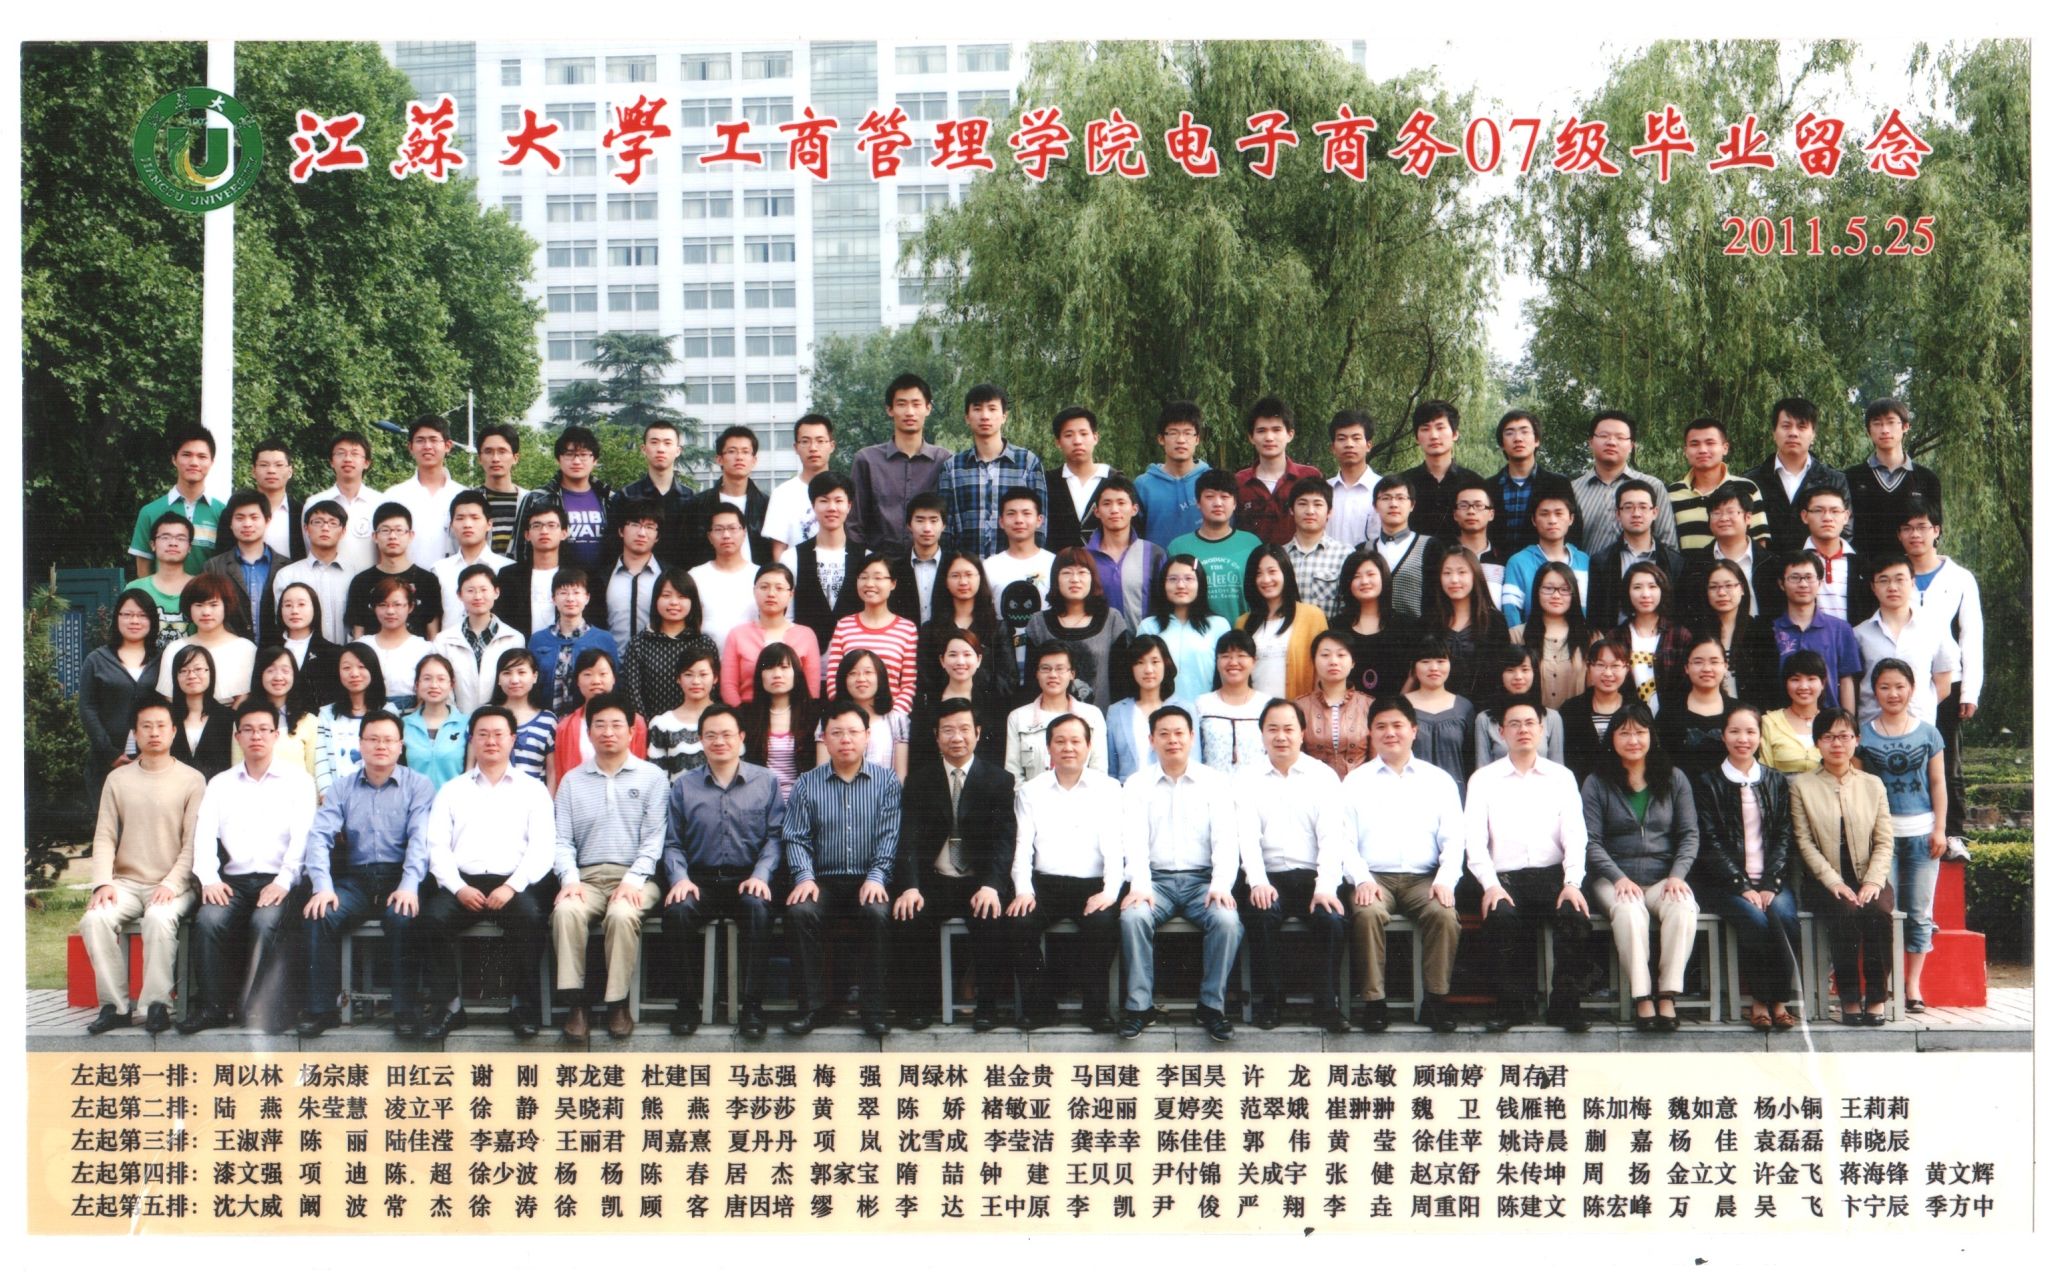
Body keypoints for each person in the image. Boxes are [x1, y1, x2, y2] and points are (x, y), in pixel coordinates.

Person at [296, 709, 437, 1038]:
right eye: (373, 739)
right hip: (357, 880)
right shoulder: (342, 788)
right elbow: (319, 836)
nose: (381, 746)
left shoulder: (419, 785)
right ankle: (322, 1010)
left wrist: (409, 886)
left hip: (400, 877)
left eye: (388, 740)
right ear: (360, 744)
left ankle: (405, 1010)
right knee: (319, 914)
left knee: (404, 916)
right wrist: (322, 886)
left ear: (400, 746)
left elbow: (420, 840)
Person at [420, 705, 556, 1039]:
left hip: (514, 883)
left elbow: (543, 848)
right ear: (472, 740)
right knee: (431, 920)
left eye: (498, 734)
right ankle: (449, 1007)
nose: (491, 741)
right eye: (482, 734)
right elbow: (436, 846)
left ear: (513, 739)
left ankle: (522, 1006)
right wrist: (457, 888)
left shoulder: (533, 790)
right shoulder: (452, 790)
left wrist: (512, 886)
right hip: (463, 884)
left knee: (532, 918)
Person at [179, 701, 316, 1034]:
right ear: (237, 736)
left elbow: (303, 838)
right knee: (209, 920)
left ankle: (259, 1009)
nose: (257, 736)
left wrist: (284, 881)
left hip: (280, 879)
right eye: (249, 730)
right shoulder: (220, 784)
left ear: (276, 735)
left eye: (264, 730)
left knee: (265, 921)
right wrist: (209, 879)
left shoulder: (298, 781)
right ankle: (212, 1008)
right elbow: (204, 835)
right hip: (234, 882)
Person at [1463, 694, 1596, 1032]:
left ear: (1542, 729)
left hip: (1553, 875)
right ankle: (1513, 1007)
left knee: (1575, 914)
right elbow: (1474, 841)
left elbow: (1575, 835)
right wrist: (1490, 885)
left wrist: (1572, 883)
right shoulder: (1483, 779)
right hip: (1504, 878)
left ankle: (1565, 1006)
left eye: (1529, 723)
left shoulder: (1562, 777)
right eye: (1514, 724)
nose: (1522, 730)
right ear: (1501, 732)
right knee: (1500, 916)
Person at [891, 698, 1020, 1031]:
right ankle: (920, 1006)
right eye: (947, 730)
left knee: (991, 916)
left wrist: (992, 885)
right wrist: (910, 886)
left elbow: (1005, 841)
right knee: (908, 914)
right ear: (936, 736)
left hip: (978, 881)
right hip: (936, 879)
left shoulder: (999, 780)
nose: (957, 737)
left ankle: (986, 1007)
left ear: (977, 732)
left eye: (964, 729)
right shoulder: (920, 781)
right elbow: (908, 839)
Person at [78, 694, 203, 1036]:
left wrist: (172, 883)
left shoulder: (192, 780)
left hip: (175, 884)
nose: (154, 732)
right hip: (127, 883)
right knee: (94, 919)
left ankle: (156, 1005)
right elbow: (104, 836)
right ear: (134, 732)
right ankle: (115, 1007)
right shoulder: (118, 779)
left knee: (159, 918)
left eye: (161, 725)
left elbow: (192, 844)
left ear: (174, 731)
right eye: (146, 726)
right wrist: (103, 882)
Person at [1117, 705, 1243, 1042]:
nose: (1172, 740)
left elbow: (1226, 839)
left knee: (1227, 921)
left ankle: (1211, 1006)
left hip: (1202, 881)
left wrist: (1220, 884)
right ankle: (1139, 1006)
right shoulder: (1137, 784)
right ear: (1151, 740)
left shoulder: (1214, 782)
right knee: (1133, 917)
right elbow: (1133, 840)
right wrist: (1140, 884)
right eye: (1164, 734)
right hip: (1155, 881)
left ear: (1191, 737)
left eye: (1179, 733)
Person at [1341, 693, 1464, 1032]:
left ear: (1414, 730)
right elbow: (1344, 841)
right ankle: (1374, 1002)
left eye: (1398, 725)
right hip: (1374, 877)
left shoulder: (1438, 780)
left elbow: (1454, 838)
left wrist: (1445, 880)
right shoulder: (1355, 781)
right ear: (1370, 733)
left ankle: (1435, 1002)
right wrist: (1361, 879)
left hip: (1423, 879)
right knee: (1367, 913)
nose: (1390, 733)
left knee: (1444, 914)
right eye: (1381, 726)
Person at [549, 692, 667, 1042]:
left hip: (636, 877)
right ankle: (576, 1004)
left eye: (617, 725)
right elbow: (561, 840)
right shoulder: (572, 780)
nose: (608, 732)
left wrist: (632, 879)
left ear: (632, 731)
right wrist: (569, 879)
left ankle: (617, 1002)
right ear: (588, 733)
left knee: (622, 914)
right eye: (599, 725)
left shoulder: (652, 777)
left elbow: (654, 839)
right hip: (586, 878)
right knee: (566, 911)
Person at [662, 702, 784, 1037]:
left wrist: (761, 875)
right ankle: (687, 1004)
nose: (719, 741)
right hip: (700, 879)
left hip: (748, 877)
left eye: (727, 734)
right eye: (711, 735)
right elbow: (672, 842)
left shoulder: (766, 781)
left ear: (741, 737)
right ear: (700, 739)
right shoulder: (683, 786)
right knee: (678, 910)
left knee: (758, 908)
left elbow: (776, 837)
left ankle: (753, 1007)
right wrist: (680, 878)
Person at [783, 701, 903, 1038]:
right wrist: (804, 876)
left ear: (867, 736)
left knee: (878, 913)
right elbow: (795, 837)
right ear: (824, 738)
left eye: (853, 732)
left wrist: (877, 876)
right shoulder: (807, 783)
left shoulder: (886, 781)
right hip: (823, 879)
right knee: (801, 911)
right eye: (836, 733)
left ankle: (873, 1011)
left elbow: (890, 836)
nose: (845, 739)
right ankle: (813, 1008)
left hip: (869, 877)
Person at [1582, 701, 1701, 1031]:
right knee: (1629, 911)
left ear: (1652, 736)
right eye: (1624, 733)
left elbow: (1690, 834)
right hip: (1614, 878)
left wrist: (1677, 875)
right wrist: (1618, 877)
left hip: (1663, 877)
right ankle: (1642, 997)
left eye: (1640, 732)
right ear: (1612, 739)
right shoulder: (1597, 782)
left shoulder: (1674, 778)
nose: (1633, 740)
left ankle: (1667, 993)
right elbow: (1591, 841)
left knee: (1683, 906)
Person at [1007, 714, 1126, 1031]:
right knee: (1019, 921)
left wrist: (1110, 892)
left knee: (1103, 923)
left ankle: (1096, 1009)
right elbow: (1022, 847)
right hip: (1045, 886)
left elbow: (1115, 847)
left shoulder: (1109, 788)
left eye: (1075, 741)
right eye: (1059, 741)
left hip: (1094, 885)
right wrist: (1023, 890)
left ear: (1088, 746)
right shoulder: (1031, 791)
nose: (1068, 748)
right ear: (1048, 747)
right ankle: (1040, 1007)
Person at [1237, 700, 1350, 1031]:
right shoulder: (1246, 778)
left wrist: (1325, 887)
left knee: (1332, 918)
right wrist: (1258, 881)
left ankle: (1326, 1005)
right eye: (1272, 729)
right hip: (1268, 875)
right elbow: (1246, 838)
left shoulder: (1322, 776)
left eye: (1289, 729)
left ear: (1302, 733)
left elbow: (1332, 838)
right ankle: (1271, 1002)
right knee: (1261, 913)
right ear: (1262, 734)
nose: (1281, 736)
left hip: (1314, 875)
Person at [1693, 701, 1801, 1031]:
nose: (1743, 739)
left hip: (1769, 881)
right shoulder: (1708, 782)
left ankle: (1779, 1002)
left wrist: (1770, 883)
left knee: (1784, 916)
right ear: (1723, 736)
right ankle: (1759, 1002)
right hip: (1725, 885)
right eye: (1735, 731)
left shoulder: (1775, 780)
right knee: (1756, 920)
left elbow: (1784, 835)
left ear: (1760, 736)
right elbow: (1710, 842)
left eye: (1751, 732)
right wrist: (1741, 885)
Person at [1791, 708, 1895, 1025]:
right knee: (1845, 911)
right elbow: (1804, 842)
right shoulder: (1802, 786)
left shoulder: (1873, 784)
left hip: (1868, 876)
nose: (1837, 744)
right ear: (1817, 743)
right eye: (1828, 737)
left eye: (1844, 736)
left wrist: (1873, 881)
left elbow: (1884, 840)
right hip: (1825, 881)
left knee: (1878, 912)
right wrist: (1833, 881)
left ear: (1856, 740)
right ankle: (1849, 998)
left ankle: (1876, 998)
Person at [1860, 659, 1948, 1014]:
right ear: (1874, 691)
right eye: (1884, 687)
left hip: (1923, 837)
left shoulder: (1928, 733)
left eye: (1900, 686)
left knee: (1919, 912)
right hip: (1883, 841)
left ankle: (1912, 985)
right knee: (1886, 913)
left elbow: (1938, 783)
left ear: (1912, 689)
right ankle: (1887, 982)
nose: (1893, 693)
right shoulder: (1863, 735)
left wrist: (1940, 828)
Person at [1897, 496, 1982, 858]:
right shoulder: (1894, 574)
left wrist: (1970, 691)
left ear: (1936, 531)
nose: (1914, 535)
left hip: (1949, 681)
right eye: (1907, 528)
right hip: (1903, 681)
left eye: (1922, 527)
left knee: (1946, 757)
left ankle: (1954, 833)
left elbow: (1971, 634)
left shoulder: (1960, 578)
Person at [938, 382, 1049, 560]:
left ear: (1004, 416)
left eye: (992, 409)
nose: (985, 416)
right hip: (968, 569)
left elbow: (1040, 524)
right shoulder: (953, 467)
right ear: (967, 417)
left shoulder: (1027, 462)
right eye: (977, 409)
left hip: (1016, 567)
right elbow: (945, 527)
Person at [1854, 552, 1959, 728]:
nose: (1892, 587)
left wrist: (1916, 710)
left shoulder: (1934, 628)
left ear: (1912, 582)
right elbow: (1853, 685)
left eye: (1900, 579)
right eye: (1883, 580)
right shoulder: (1859, 634)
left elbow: (1944, 685)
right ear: (1873, 587)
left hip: (1920, 729)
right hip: (1871, 730)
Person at [851, 373, 950, 556]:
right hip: (879, 564)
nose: (909, 412)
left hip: (929, 562)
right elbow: (854, 522)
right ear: (890, 409)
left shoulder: (944, 461)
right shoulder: (867, 460)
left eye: (916, 404)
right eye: (902, 404)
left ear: (928, 408)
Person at [80, 589, 162, 810]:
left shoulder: (162, 659)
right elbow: (87, 708)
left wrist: (153, 752)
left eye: (142, 615)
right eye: (127, 614)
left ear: (152, 621)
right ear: (117, 618)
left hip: (153, 757)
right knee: (107, 820)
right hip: (105, 759)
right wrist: (110, 753)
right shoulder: (97, 660)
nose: (134, 621)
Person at [1024, 547, 1132, 705]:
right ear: (1056, 579)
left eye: (1082, 572)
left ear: (1092, 578)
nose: (1075, 579)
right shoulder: (1038, 623)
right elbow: (1031, 684)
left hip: (1101, 717)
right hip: (1051, 717)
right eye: (1067, 573)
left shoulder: (1112, 620)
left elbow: (1121, 683)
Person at [780, 473, 873, 654]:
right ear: (813, 505)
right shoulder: (791, 557)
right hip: (805, 657)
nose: (832, 508)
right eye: (824, 501)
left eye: (838, 501)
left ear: (849, 505)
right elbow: (787, 617)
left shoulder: (866, 558)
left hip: (854, 659)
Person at [1744, 395, 1850, 553]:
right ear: (1774, 432)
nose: (1793, 433)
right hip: (1764, 566)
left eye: (1802, 427)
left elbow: (1845, 532)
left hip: (1815, 567)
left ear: (1813, 435)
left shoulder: (1834, 480)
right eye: (1786, 426)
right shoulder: (1751, 481)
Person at [511, 425, 616, 576]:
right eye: (569, 454)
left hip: (603, 582)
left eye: (583, 454)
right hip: (554, 581)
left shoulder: (610, 499)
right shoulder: (537, 498)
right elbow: (518, 550)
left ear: (595, 460)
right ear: (558, 459)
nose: (577, 461)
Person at [1571, 409, 1679, 557]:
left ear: (1631, 445)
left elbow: (1668, 545)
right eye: (1604, 436)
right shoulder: (1573, 490)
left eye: (1620, 437)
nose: (1611, 442)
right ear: (1590, 441)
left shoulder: (1653, 486)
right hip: (1588, 571)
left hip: (1644, 571)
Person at [917, 552, 1016, 707]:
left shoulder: (997, 628)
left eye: (969, 575)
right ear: (945, 581)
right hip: (944, 712)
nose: (963, 582)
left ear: (980, 578)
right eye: (955, 575)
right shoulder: (930, 630)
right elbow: (926, 681)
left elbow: (1008, 681)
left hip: (987, 712)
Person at [1136, 554, 1232, 712]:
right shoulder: (1149, 627)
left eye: (1189, 578)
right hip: (1160, 715)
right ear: (1163, 584)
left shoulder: (1219, 625)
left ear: (1200, 583)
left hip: (1207, 713)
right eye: (1173, 579)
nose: (1180, 585)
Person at [1846, 396, 1942, 557]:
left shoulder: (1927, 479)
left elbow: (1934, 530)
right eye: (1877, 423)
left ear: (1905, 426)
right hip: (1863, 567)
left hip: (1910, 568)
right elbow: (1844, 530)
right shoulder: (1852, 477)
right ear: (1868, 431)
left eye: (1891, 422)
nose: (1884, 430)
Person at [1585, 478, 1686, 628]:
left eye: (1643, 507)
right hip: (1615, 640)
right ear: (1618, 514)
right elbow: (1596, 618)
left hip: (1662, 640)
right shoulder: (1601, 562)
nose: (1636, 514)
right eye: (1628, 507)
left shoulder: (1674, 562)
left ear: (1655, 512)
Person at [907, 629, 1008, 778]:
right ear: (942, 660)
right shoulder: (928, 702)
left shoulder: (992, 702)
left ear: (979, 659)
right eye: (953, 655)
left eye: (967, 654)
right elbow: (919, 752)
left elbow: (997, 753)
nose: (960, 662)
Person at [1770, 550, 1862, 711]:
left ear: (1820, 582)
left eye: (1809, 577)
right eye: (1795, 577)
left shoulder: (1840, 629)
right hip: (1782, 720)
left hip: (1829, 719)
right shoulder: (1770, 629)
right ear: (1781, 584)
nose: (1803, 584)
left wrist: (1847, 721)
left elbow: (1846, 680)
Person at [1668, 417, 1770, 562]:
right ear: (1686, 451)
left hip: (1738, 573)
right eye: (1694, 444)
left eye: (1710, 443)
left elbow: (1759, 542)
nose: (1702, 450)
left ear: (1725, 448)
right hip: (1689, 574)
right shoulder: (1672, 493)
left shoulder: (1747, 488)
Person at [1420, 544, 1512, 702]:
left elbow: (1500, 674)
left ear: (1475, 575)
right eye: (1447, 573)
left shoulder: (1494, 622)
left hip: (1483, 708)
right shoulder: (1428, 622)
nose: (1454, 579)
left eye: (1462, 572)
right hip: (1434, 706)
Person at [129, 424, 224, 574]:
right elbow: (143, 575)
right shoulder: (149, 512)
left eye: (202, 456)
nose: (194, 462)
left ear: (212, 462)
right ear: (174, 459)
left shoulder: (223, 512)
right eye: (186, 455)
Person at [428, 563, 523, 714]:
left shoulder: (514, 639)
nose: (478, 596)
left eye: (484, 590)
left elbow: (515, 687)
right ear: (459, 595)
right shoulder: (443, 641)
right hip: (456, 721)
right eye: (470, 591)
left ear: (496, 592)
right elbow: (443, 689)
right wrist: (456, 720)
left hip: (500, 721)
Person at [1238, 544, 1328, 701]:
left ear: (1286, 573)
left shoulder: (1312, 616)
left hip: (1298, 711)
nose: (1266, 579)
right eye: (1258, 573)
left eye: (1272, 571)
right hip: (1253, 712)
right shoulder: (1242, 623)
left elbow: (1323, 671)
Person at [722, 564, 822, 707]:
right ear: (754, 591)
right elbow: (728, 686)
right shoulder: (737, 635)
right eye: (764, 587)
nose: (771, 593)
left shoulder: (806, 635)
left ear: (791, 594)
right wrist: (740, 717)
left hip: (795, 714)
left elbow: (812, 690)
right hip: (747, 713)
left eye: (779, 588)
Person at [1169, 469, 1263, 620]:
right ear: (1198, 502)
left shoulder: (1251, 543)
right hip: (1196, 632)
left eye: (1225, 497)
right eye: (1209, 496)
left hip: (1244, 631)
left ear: (1235, 503)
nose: (1218, 503)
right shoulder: (1178, 547)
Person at [823, 557, 919, 704]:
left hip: (890, 715)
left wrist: (893, 715)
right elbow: (833, 679)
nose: (869, 584)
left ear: (893, 583)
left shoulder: (907, 629)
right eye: (863, 577)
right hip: (850, 715)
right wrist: (847, 712)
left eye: (878, 578)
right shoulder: (844, 626)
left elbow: (909, 685)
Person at [981, 487, 1059, 669]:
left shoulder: (1055, 563)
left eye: (1026, 513)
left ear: (1039, 520)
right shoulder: (989, 566)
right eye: (1011, 514)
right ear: (1001, 521)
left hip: (1046, 661)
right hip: (1001, 661)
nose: (1019, 520)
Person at [1005, 641, 1105, 779]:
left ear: (1072, 674)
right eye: (1045, 668)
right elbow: (1013, 775)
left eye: (1060, 669)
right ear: (1037, 673)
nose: (1053, 675)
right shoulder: (1018, 718)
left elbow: (1099, 772)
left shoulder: (1092, 716)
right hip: (1033, 793)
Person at [1485, 409, 1577, 557]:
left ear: (1536, 440)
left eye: (1524, 431)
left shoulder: (1558, 483)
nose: (1518, 438)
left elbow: (1573, 530)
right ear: (1502, 444)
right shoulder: (1488, 487)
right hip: (1497, 566)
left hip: (1543, 565)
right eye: (1509, 433)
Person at [1232, 395, 1322, 546]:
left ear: (1290, 435)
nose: (1269, 437)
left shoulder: (1310, 476)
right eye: (1261, 431)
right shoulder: (1239, 482)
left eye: (1276, 430)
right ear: (1251, 437)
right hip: (1253, 560)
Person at [527, 568, 619, 715]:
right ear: (553, 598)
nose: (570, 599)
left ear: (587, 598)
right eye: (563, 593)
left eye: (576, 592)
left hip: (589, 720)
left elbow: (615, 685)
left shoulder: (604, 639)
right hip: (545, 720)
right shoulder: (538, 640)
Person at [343, 503, 442, 639]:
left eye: (399, 530)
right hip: (371, 652)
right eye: (385, 530)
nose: (392, 536)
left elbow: (433, 634)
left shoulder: (427, 581)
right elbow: (358, 635)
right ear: (375, 536)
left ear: (410, 535)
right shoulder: (361, 582)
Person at [199, 489, 285, 644]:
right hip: (228, 649)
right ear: (230, 523)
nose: (247, 524)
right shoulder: (214, 567)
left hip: (276, 653)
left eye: (254, 517)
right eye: (240, 518)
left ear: (267, 520)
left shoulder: (285, 568)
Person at [155, 574, 258, 703]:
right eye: (199, 605)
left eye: (213, 605)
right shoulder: (175, 649)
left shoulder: (245, 649)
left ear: (226, 606)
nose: (206, 612)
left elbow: (249, 697)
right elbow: (170, 698)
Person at [551, 649, 649, 781]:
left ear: (614, 678)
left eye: (603, 674)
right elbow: (561, 776)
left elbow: (641, 771)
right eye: (587, 674)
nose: (596, 681)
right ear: (577, 681)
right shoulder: (565, 727)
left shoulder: (635, 722)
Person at [613, 419, 696, 573]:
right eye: (654, 442)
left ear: (678, 450)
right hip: (636, 577)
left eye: (667, 443)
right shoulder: (626, 496)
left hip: (679, 581)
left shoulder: (691, 499)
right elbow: (613, 546)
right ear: (644, 449)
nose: (660, 449)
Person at [619, 571, 706, 719]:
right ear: (656, 599)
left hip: (696, 727)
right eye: (666, 595)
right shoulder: (639, 644)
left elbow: (712, 692)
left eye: (682, 596)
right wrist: (648, 726)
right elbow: (632, 692)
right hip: (650, 727)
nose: (674, 602)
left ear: (692, 601)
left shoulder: (703, 644)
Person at [739, 642, 820, 799]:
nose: (777, 674)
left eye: (784, 667)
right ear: (760, 675)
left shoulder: (813, 715)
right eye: (769, 668)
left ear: (796, 672)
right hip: (760, 802)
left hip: (803, 803)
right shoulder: (747, 716)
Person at [1330, 547, 1413, 699]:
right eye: (1356, 576)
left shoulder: (1405, 626)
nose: (1364, 581)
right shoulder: (1336, 627)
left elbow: (1413, 675)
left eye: (1371, 574)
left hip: (1393, 710)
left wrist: (1397, 706)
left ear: (1383, 578)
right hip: (1347, 710)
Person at [1690, 559, 1775, 704]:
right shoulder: (1696, 632)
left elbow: (1768, 684)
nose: (1722, 593)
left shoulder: (1760, 631)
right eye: (1713, 587)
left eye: (1729, 585)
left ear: (1742, 589)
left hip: (1750, 713)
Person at [1500, 490, 1589, 628]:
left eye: (1559, 513)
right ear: (1534, 520)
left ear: (1571, 519)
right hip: (1531, 639)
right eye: (1544, 514)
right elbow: (1511, 611)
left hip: (1579, 639)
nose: (1552, 520)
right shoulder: (1519, 562)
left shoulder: (1584, 561)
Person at [1610, 561, 1690, 715]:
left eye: (1652, 586)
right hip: (1630, 722)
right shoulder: (1616, 637)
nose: (1645, 594)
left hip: (1671, 721)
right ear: (1627, 592)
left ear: (1662, 590)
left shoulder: (1680, 636)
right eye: (1637, 587)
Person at [271, 500, 353, 645]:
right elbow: (282, 624)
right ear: (306, 529)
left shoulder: (354, 576)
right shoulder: (287, 576)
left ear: (343, 531)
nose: (325, 528)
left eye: (333, 523)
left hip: (346, 656)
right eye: (318, 522)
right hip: (301, 657)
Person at [1134, 400, 1213, 549]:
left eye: (1188, 433)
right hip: (1157, 562)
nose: (1181, 440)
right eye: (1173, 433)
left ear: (1197, 439)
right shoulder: (1143, 485)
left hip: (1205, 562)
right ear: (1161, 439)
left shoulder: (1211, 480)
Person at [821, 647, 912, 778]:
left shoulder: (898, 721)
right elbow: (822, 774)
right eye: (853, 673)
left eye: (868, 672)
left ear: (880, 677)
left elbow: (900, 777)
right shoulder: (830, 719)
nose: (861, 679)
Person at [1510, 560, 1589, 708]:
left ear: (1574, 594)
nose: (1556, 595)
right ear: (1537, 591)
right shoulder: (1516, 636)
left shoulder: (1591, 637)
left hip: (1577, 721)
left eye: (1564, 589)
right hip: (1532, 720)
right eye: (1548, 588)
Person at [1046, 405, 1126, 551]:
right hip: (1058, 563)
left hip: (1107, 562)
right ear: (1057, 442)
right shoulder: (1048, 482)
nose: (1077, 441)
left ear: (1095, 437)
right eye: (1068, 435)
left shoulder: (1116, 480)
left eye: (1083, 434)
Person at [1399, 400, 1482, 540]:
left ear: (1455, 434)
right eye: (1425, 429)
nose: (1434, 435)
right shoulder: (1403, 483)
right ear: (1417, 438)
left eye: (1440, 427)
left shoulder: (1474, 482)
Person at [385, 416, 463, 564]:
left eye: (434, 440)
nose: (427, 446)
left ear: (448, 446)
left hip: (453, 577)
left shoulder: (463, 495)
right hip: (406, 578)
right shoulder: (394, 496)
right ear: (410, 447)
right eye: (420, 440)